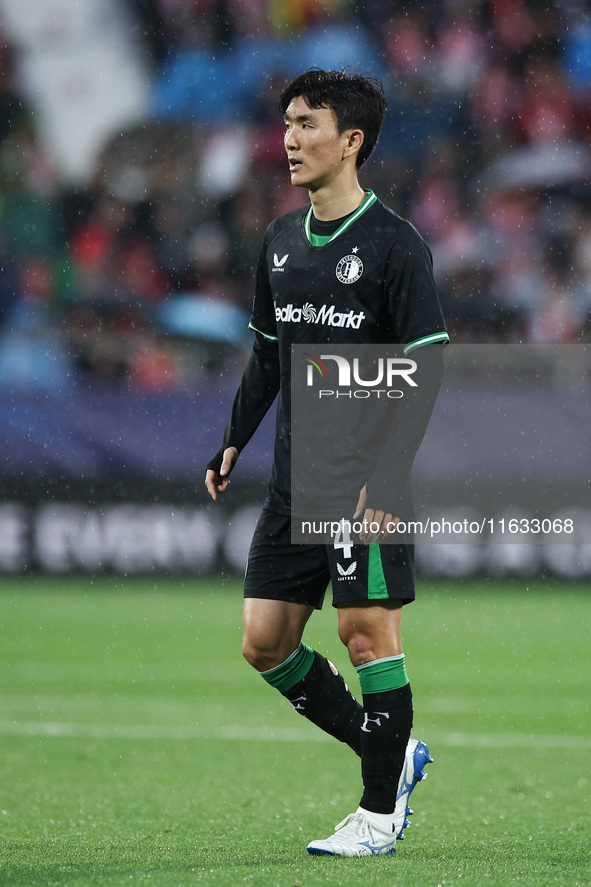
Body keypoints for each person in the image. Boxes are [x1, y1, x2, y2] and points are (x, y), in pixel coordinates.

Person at [205, 69, 448, 857]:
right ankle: (393, 753)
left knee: (365, 632)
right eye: (285, 125)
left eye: (307, 124)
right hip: (291, 479)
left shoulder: (394, 245)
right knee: (264, 642)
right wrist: (235, 436)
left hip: (364, 481)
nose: (289, 139)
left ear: (352, 141)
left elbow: (422, 373)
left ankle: (378, 814)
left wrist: (386, 476)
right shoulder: (278, 241)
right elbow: (267, 357)